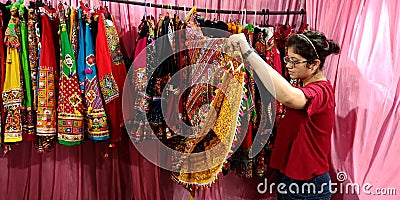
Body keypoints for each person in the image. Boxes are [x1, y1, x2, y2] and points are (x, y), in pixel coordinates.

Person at [228, 30, 340, 200]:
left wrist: (248, 51)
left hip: (308, 185)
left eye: (295, 62)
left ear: (314, 64)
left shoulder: (321, 92)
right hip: (292, 179)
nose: (288, 66)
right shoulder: (305, 87)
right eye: (287, 59)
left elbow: (287, 96)